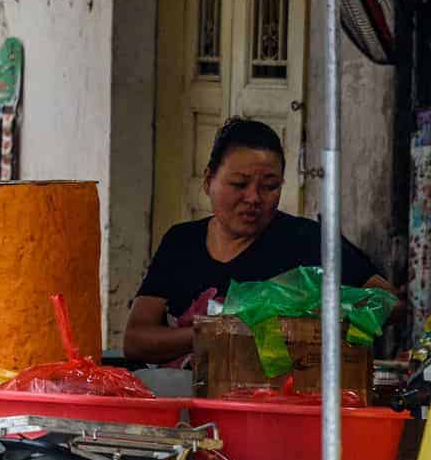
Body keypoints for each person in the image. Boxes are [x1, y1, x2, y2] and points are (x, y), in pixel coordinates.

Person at [124, 117, 397, 364]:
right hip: (185, 407)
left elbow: (391, 304)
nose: (254, 198)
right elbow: (136, 341)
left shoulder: (307, 240)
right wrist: (225, 329)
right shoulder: (181, 242)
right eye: (239, 184)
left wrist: (315, 321)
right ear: (209, 181)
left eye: (269, 186)